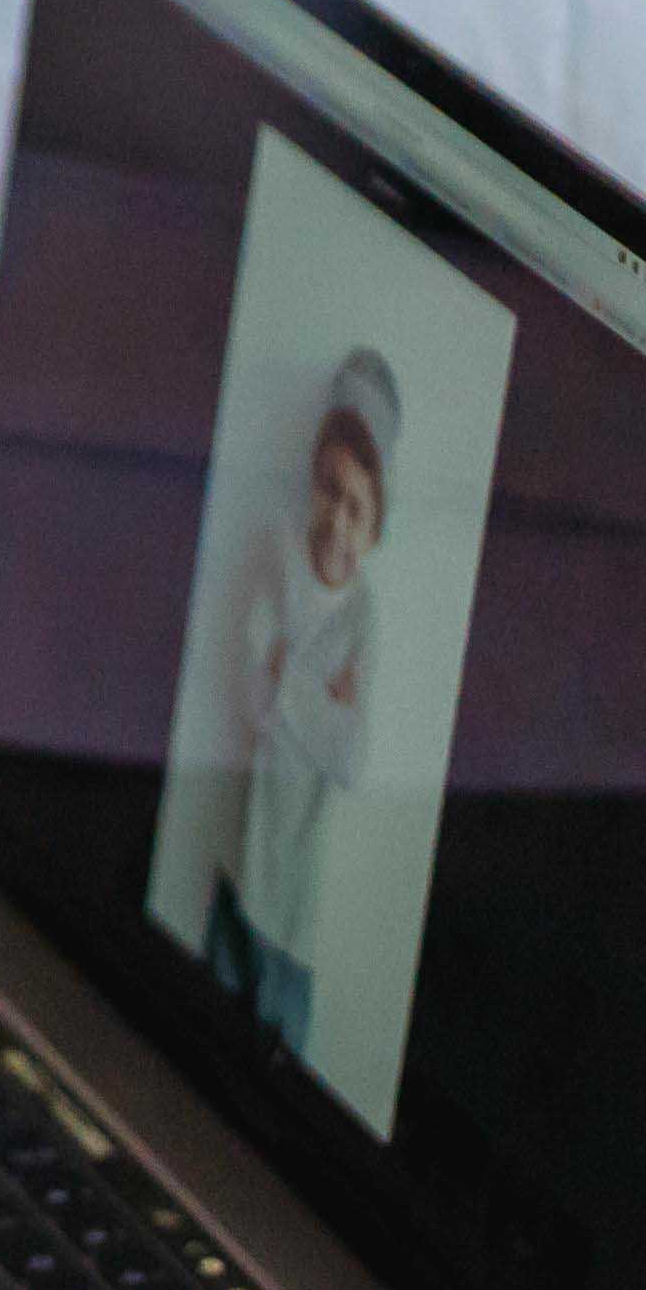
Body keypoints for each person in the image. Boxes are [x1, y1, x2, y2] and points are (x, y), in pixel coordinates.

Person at [199, 345, 396, 1055]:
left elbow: (348, 758)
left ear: (375, 524)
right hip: (237, 872)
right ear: (311, 481)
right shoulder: (277, 554)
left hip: (296, 920)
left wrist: (286, 675)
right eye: (328, 490)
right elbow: (250, 700)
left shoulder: (363, 617)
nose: (337, 523)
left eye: (357, 508)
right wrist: (316, 700)